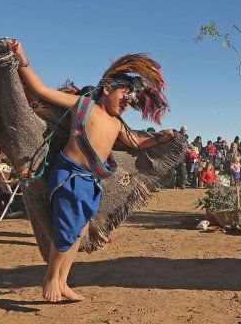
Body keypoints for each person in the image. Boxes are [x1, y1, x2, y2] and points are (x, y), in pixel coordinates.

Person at [12, 40, 175, 303]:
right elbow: (39, 89)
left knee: (78, 231)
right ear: (108, 88)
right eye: (124, 96)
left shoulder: (117, 123)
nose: (126, 103)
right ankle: (51, 278)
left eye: (130, 102)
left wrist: (160, 138)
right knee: (66, 229)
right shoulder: (83, 106)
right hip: (69, 175)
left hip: (92, 182)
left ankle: (63, 281)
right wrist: (22, 56)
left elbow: (135, 141)